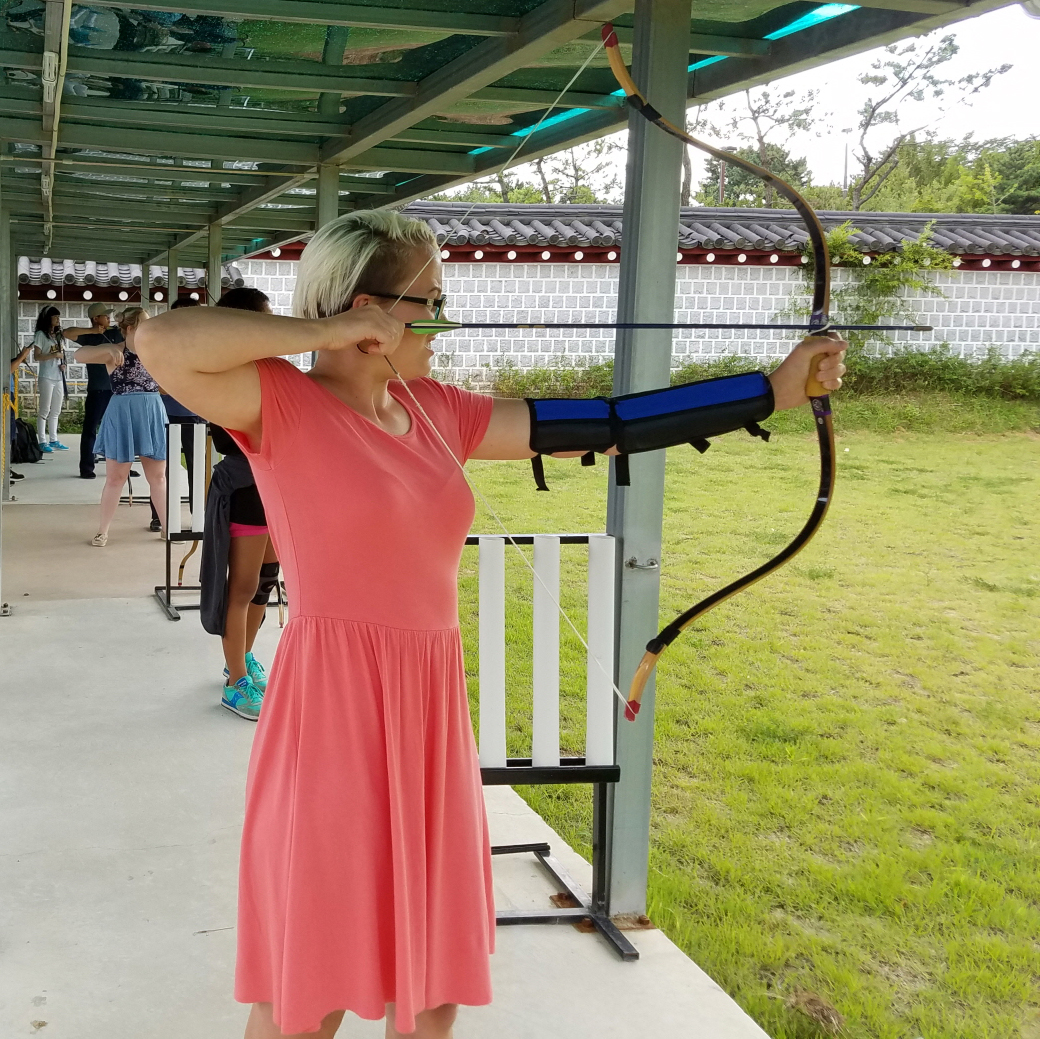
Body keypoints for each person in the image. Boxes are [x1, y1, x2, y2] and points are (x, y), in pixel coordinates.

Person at [136, 209, 846, 1039]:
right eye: (429, 300)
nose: (444, 318)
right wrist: (329, 328)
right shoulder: (278, 403)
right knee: (310, 981)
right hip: (331, 711)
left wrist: (773, 389)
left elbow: (612, 424)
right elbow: (161, 339)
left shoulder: (440, 410)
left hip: (430, 708)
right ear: (371, 309)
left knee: (433, 982)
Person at [199, 286, 280, 722]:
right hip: (246, 488)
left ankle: (242, 660)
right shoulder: (222, 371)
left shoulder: (270, 369)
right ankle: (234, 685)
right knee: (242, 587)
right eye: (264, 319)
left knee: (265, 582)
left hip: (277, 486)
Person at [74, 307, 167, 547]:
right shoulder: (116, 351)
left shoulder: (156, 350)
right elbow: (79, 355)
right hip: (121, 410)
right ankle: (102, 530)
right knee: (115, 477)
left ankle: (168, 527)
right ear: (129, 328)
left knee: (157, 477)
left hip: (151, 410)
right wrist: (106, 349)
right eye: (143, 324)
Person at [148, 296, 204, 532]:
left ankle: (199, 516)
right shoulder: (161, 344)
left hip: (196, 414)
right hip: (165, 413)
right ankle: (160, 515)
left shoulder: (204, 343)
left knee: (197, 467)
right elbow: (156, 383)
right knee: (162, 469)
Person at [62, 302, 123, 479]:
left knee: (119, 429)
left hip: (117, 389)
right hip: (98, 389)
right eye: (105, 315)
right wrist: (92, 331)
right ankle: (86, 467)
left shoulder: (115, 332)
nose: (108, 318)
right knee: (90, 429)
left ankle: (121, 467)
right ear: (96, 319)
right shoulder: (88, 337)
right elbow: (67, 333)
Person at [32, 306, 70, 452]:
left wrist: (64, 365)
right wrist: (54, 356)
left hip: (58, 376)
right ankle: (42, 440)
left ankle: (53, 439)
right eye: (55, 317)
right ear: (48, 318)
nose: (58, 320)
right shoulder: (41, 335)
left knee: (56, 410)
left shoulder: (59, 335)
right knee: (44, 409)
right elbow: (37, 356)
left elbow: (63, 355)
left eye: (58, 317)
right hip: (46, 376)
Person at [7, 341, 33, 483]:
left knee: (11, 433)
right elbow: (7, 370)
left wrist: (19, 357)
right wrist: (21, 356)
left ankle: (5, 468)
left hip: (8, 394)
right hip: (5, 396)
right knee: (6, 434)